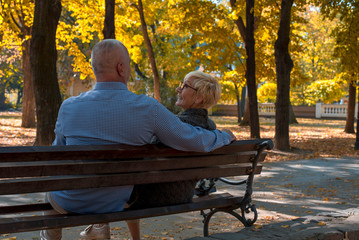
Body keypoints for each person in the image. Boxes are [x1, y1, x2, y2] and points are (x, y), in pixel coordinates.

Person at [40, 39, 235, 240]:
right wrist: (223, 135)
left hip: (69, 201)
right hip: (117, 200)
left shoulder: (68, 107)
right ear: (121, 68)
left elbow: (58, 156)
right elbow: (191, 138)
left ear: (94, 68)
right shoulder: (147, 108)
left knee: (50, 193)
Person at [128, 70, 222, 210]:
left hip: (152, 194)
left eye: (185, 86)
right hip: (184, 194)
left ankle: (99, 227)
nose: (178, 89)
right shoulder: (210, 128)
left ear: (198, 98)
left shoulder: (174, 126)